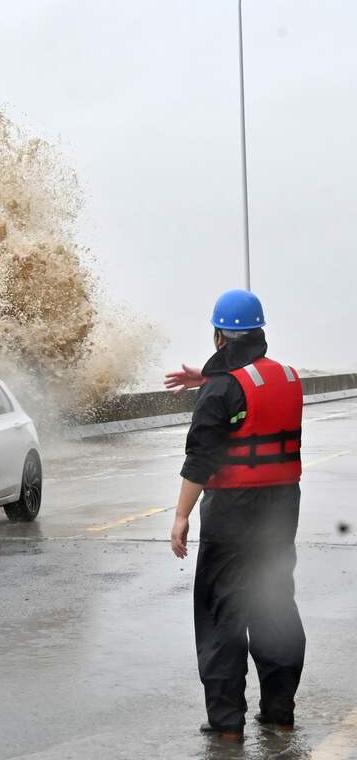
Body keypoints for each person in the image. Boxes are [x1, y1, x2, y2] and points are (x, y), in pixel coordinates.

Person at [165, 289, 305, 741]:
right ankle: (280, 711)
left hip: (232, 512)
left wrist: (181, 516)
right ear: (259, 331)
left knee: (223, 611)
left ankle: (227, 725)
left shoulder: (222, 388)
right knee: (274, 602)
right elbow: (250, 390)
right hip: (281, 508)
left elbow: (200, 458)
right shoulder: (289, 377)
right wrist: (209, 377)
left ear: (219, 335)